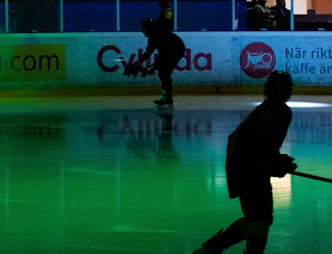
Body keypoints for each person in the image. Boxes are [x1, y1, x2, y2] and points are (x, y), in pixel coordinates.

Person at [193, 71, 296, 254]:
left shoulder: (268, 108)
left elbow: (253, 142)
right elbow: (259, 144)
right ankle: (216, 249)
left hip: (243, 167)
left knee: (257, 218)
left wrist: (274, 161)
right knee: (261, 219)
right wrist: (273, 163)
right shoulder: (279, 111)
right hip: (250, 169)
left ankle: (211, 249)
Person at [124, 19, 186, 110]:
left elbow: (164, 55)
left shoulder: (159, 35)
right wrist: (139, 62)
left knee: (164, 72)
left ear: (149, 28)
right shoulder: (153, 36)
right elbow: (149, 52)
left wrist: (153, 67)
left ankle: (167, 98)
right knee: (163, 72)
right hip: (172, 50)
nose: (142, 31)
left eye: (143, 29)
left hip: (176, 50)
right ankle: (167, 97)